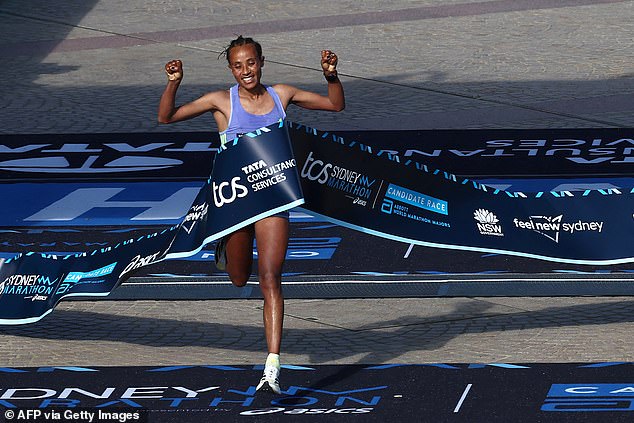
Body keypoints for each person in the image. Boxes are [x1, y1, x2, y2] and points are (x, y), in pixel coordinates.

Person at [158, 36, 345, 394]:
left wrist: (331, 76)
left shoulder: (281, 95)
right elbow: (166, 117)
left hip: (274, 200)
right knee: (240, 278)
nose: (246, 71)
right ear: (231, 69)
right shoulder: (220, 102)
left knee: (270, 277)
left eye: (251, 63)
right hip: (236, 202)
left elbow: (335, 106)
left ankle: (272, 364)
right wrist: (173, 83)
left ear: (262, 61)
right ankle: (225, 248)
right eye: (238, 65)